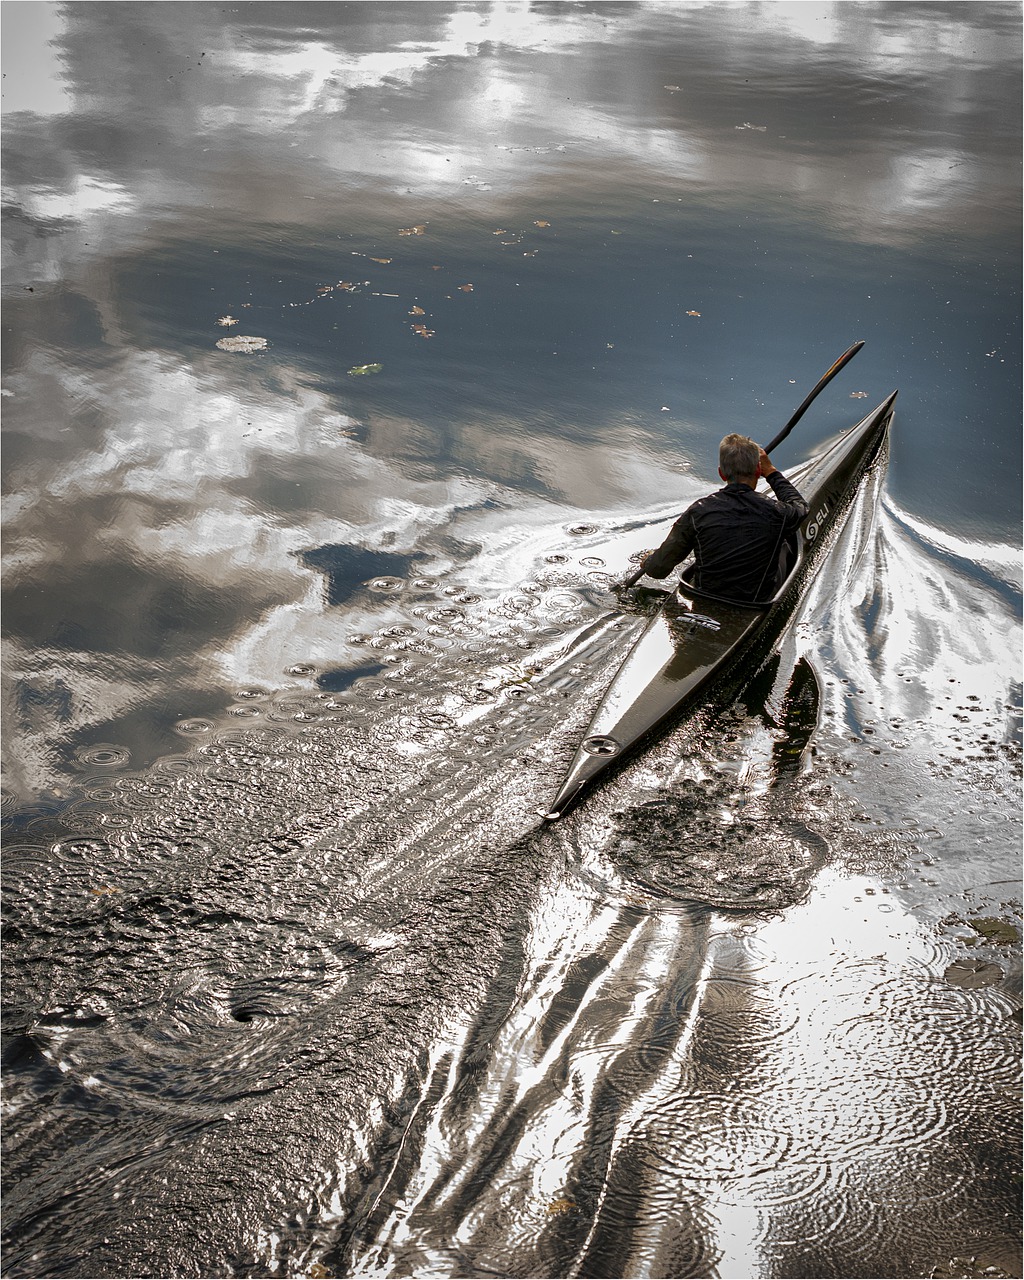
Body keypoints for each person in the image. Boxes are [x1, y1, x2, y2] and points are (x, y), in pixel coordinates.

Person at [635, 434, 808, 603]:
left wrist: (649, 561)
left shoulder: (698, 512)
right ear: (757, 470)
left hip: (703, 597)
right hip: (753, 603)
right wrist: (771, 472)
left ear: (721, 474)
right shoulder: (777, 512)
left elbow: (658, 570)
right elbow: (801, 507)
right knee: (786, 541)